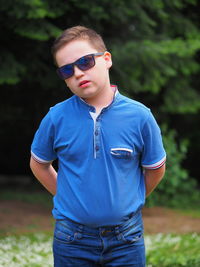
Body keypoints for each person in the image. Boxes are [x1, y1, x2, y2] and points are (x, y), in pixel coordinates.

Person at [30, 25, 166, 267]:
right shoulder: (56, 117)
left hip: (127, 238)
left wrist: (129, 199)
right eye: (67, 70)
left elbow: (155, 169)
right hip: (72, 239)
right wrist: (68, 196)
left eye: (85, 62)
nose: (78, 73)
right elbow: (39, 164)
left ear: (106, 60)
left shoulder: (140, 116)